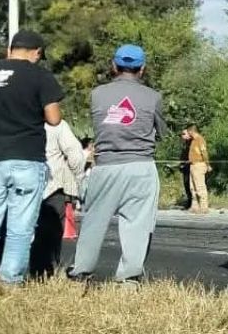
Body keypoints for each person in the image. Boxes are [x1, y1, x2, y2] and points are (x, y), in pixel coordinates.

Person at [0, 30, 63, 292]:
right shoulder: (40, 75)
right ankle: (10, 283)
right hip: (28, 159)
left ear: (11, 48)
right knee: (20, 228)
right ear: (37, 52)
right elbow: (54, 118)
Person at [67, 44, 166, 286]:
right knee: (137, 225)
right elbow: (162, 132)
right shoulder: (154, 97)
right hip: (141, 166)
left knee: (94, 220)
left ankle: (81, 271)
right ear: (142, 69)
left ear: (114, 66)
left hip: (106, 165)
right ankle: (128, 279)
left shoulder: (97, 94)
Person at [31, 119, 85, 277]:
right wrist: (79, 177)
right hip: (52, 186)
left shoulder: (16, 116)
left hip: (19, 183)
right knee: (50, 233)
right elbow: (75, 153)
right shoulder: (57, 124)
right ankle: (46, 271)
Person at [182, 125, 210, 213]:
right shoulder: (193, 140)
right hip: (193, 165)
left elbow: (204, 152)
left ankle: (204, 206)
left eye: (188, 132)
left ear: (191, 132)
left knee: (200, 186)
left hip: (199, 164)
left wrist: (207, 164)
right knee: (192, 187)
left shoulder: (200, 140)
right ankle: (195, 206)